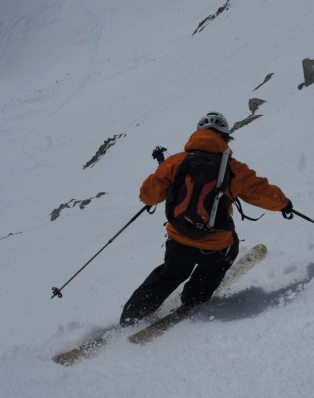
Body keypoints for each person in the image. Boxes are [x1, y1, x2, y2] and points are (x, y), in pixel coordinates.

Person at [120, 112, 293, 326]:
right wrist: (284, 204)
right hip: (215, 244)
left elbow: (147, 195)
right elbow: (261, 192)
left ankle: (132, 316)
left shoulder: (176, 162)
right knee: (228, 251)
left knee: (171, 273)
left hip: (179, 238)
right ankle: (193, 299)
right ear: (225, 138)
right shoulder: (233, 168)